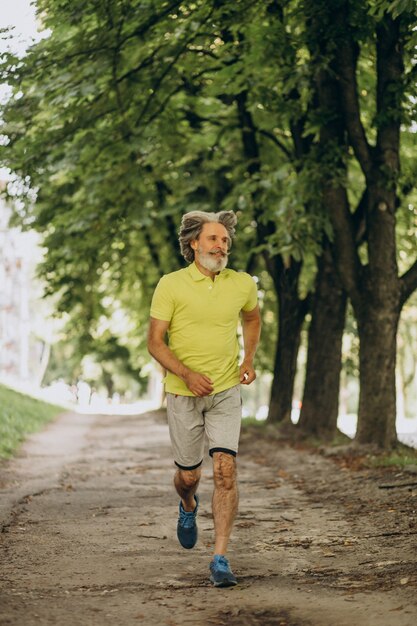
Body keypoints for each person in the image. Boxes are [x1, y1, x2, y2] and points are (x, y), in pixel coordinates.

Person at [147, 210, 261, 588]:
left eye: (225, 240)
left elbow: (252, 318)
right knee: (189, 475)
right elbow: (154, 342)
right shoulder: (171, 285)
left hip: (226, 390)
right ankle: (188, 505)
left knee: (225, 471)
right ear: (194, 243)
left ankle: (220, 558)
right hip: (183, 394)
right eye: (213, 239)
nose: (221, 245)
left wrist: (248, 358)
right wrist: (186, 375)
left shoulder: (242, 283)